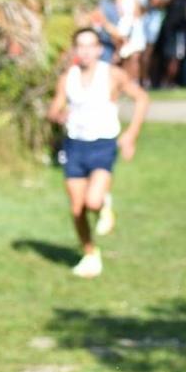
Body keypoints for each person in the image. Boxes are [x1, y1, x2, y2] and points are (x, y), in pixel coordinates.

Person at [47, 28, 149, 278]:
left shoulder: (112, 74)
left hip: (102, 144)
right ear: (74, 50)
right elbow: (54, 110)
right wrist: (60, 115)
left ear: (99, 49)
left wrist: (131, 135)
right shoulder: (67, 78)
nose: (85, 51)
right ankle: (90, 253)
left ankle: (104, 203)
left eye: (90, 45)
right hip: (74, 145)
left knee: (91, 201)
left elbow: (142, 98)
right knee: (76, 208)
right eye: (80, 46)